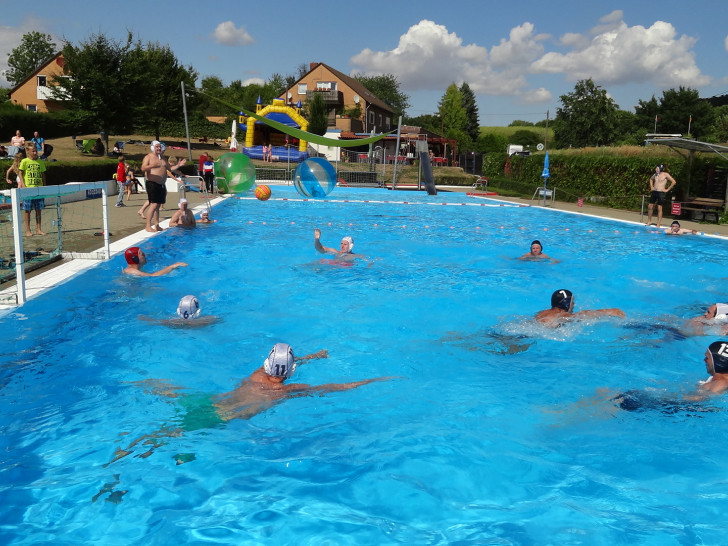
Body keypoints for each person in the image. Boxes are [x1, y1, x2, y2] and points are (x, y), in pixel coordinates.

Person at [105, 343, 392, 465]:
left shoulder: (256, 374)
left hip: (207, 401)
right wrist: (369, 381)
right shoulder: (290, 391)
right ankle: (123, 458)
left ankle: (139, 390)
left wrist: (310, 357)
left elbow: (278, 365)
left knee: (168, 405)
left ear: (267, 365)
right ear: (291, 372)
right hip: (219, 417)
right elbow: (331, 387)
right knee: (166, 436)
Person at [141, 140, 186, 233]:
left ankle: (157, 225)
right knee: (153, 205)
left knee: (157, 206)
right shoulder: (148, 157)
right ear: (153, 147)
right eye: (157, 147)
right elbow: (143, 168)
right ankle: (148, 226)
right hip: (152, 183)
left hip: (161, 184)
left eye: (159, 147)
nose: (159, 148)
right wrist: (152, 165)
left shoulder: (163, 158)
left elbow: (170, 169)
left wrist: (178, 165)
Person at [535, 289, 625, 326]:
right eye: (572, 302)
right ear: (566, 303)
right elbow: (582, 315)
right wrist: (608, 312)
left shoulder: (542, 313)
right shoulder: (563, 315)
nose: (573, 304)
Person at [17, 143, 47, 236]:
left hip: (39, 188)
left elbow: (43, 174)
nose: (35, 153)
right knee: (27, 210)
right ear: (28, 151)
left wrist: (44, 185)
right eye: (33, 151)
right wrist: (23, 184)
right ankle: (28, 230)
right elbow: (20, 173)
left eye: (36, 151)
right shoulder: (24, 161)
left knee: (39, 210)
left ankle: (39, 229)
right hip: (28, 189)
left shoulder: (40, 162)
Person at [139, 295, 219, 328]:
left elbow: (153, 321)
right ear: (198, 311)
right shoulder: (210, 320)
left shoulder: (171, 322)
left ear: (178, 311)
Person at [121, 246, 187, 276]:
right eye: (142, 254)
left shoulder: (131, 270)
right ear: (135, 259)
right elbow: (153, 275)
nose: (145, 255)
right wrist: (172, 266)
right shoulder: (133, 271)